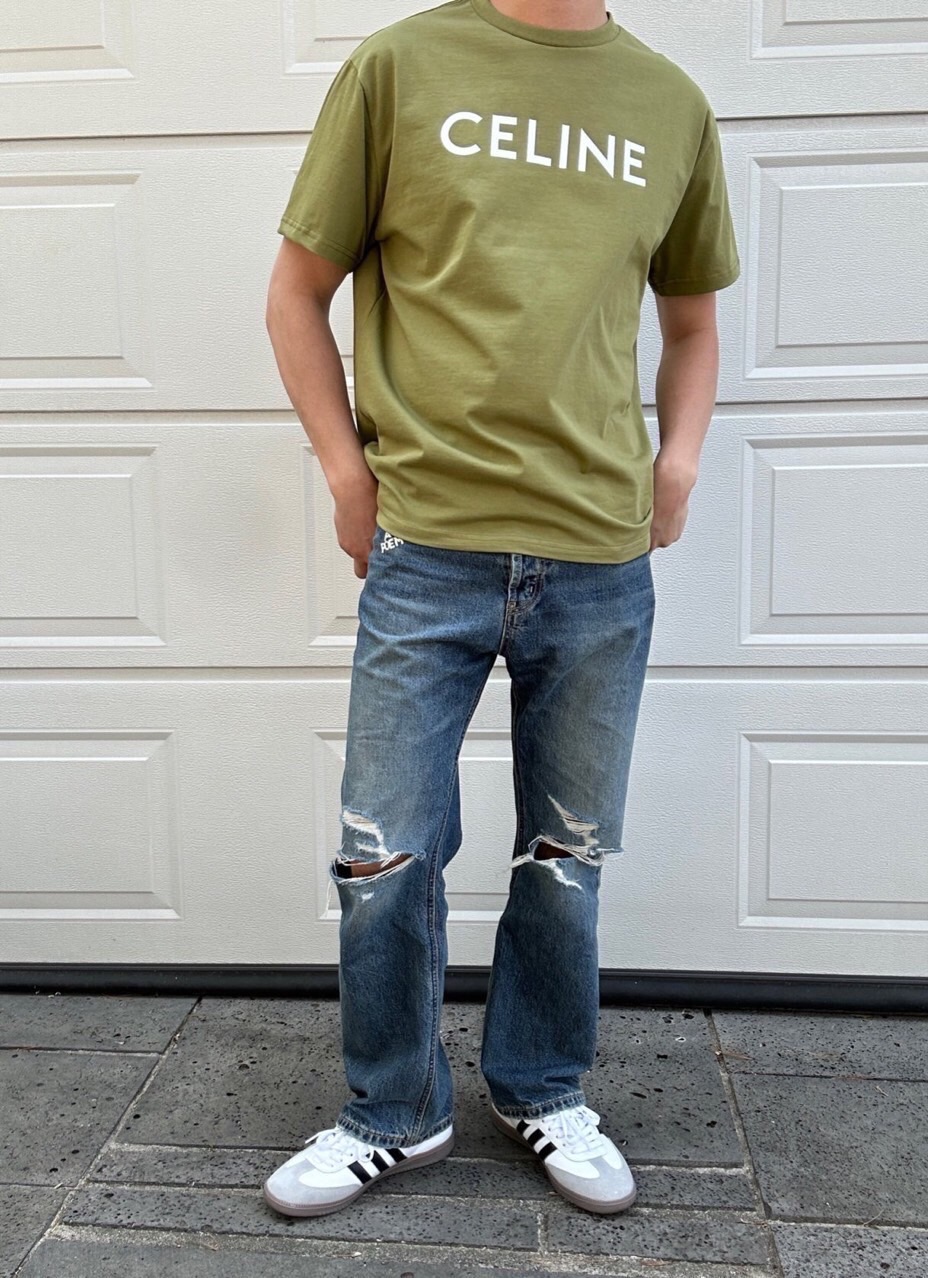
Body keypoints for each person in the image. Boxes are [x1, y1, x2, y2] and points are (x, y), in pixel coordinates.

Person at [262, 0, 740, 1219]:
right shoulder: (400, 68)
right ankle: (393, 1109)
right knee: (384, 851)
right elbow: (295, 292)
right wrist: (346, 474)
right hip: (430, 547)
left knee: (567, 854)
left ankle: (542, 1085)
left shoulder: (669, 104)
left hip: (597, 557)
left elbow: (692, 322)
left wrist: (679, 461)